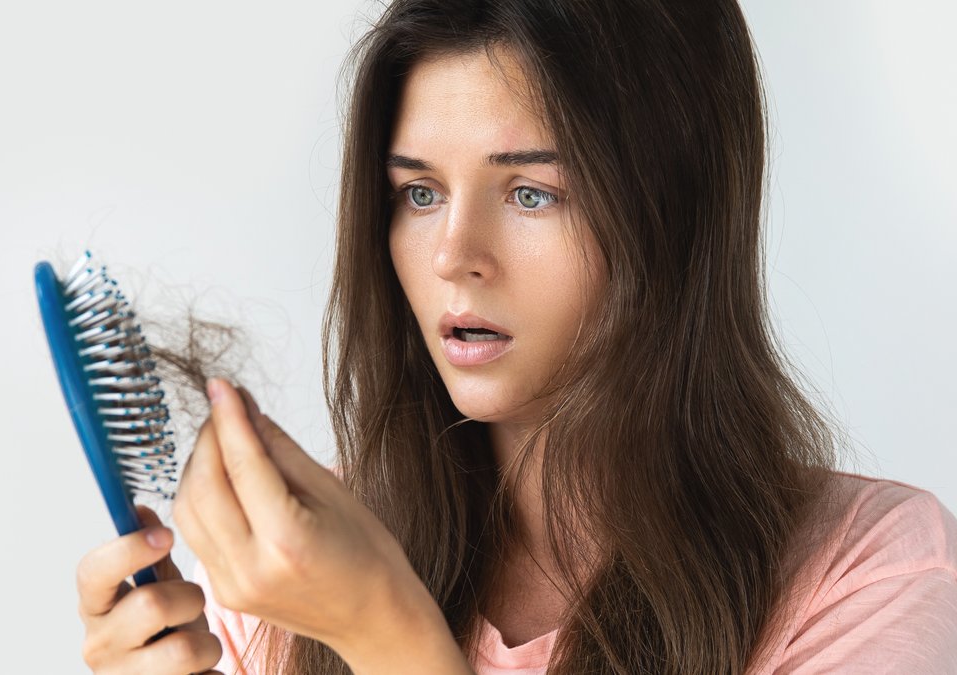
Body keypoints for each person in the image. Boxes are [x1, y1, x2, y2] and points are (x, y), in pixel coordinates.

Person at [75, 0, 957, 673]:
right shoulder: (288, 579)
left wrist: (385, 631)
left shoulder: (870, 572)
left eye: (532, 192)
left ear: (674, 214)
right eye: (419, 193)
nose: (455, 256)